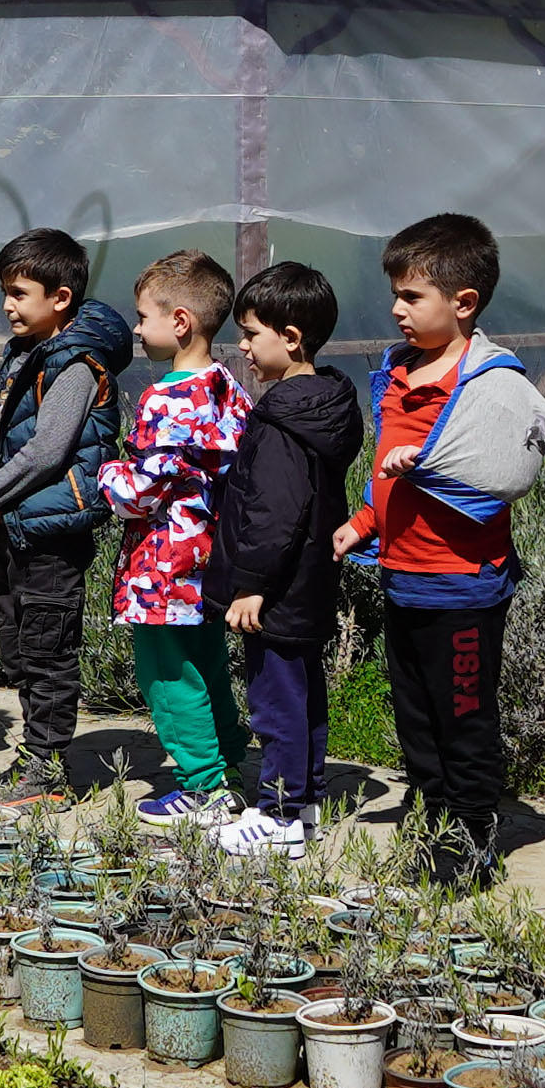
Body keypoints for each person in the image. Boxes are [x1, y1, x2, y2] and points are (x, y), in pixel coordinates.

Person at [337, 212, 545, 886]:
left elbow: (499, 474)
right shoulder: (400, 372)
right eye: (397, 294)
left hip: (463, 586)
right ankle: (432, 823)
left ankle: (470, 838)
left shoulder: (485, 385)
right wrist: (365, 522)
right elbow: (386, 471)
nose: (397, 309)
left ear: (464, 303)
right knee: (417, 720)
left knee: (464, 719)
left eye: (412, 297)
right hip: (403, 577)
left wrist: (433, 464)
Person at [0, 225, 133, 805]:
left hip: (51, 532)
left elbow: (48, 451)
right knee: (17, 647)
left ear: (60, 298)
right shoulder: (25, 352)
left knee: (47, 647)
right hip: (15, 525)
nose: (7, 305)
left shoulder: (75, 364)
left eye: (18, 292)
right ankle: (35, 755)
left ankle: (49, 770)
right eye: (5, 291)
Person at [209, 260, 361, 859]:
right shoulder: (325, 405)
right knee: (302, 691)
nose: (242, 347)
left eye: (250, 334)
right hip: (309, 581)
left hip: (274, 589)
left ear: (290, 338)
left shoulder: (280, 421)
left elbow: (273, 514)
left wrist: (250, 586)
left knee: (274, 699)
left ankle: (277, 814)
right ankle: (306, 798)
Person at [97, 250, 253, 824]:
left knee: (166, 674)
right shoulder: (227, 387)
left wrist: (106, 475)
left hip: (162, 563)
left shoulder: (166, 397)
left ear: (180, 320)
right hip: (210, 556)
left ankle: (201, 786)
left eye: (143, 317)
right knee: (208, 663)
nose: (137, 328)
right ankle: (229, 768)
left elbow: (140, 490)